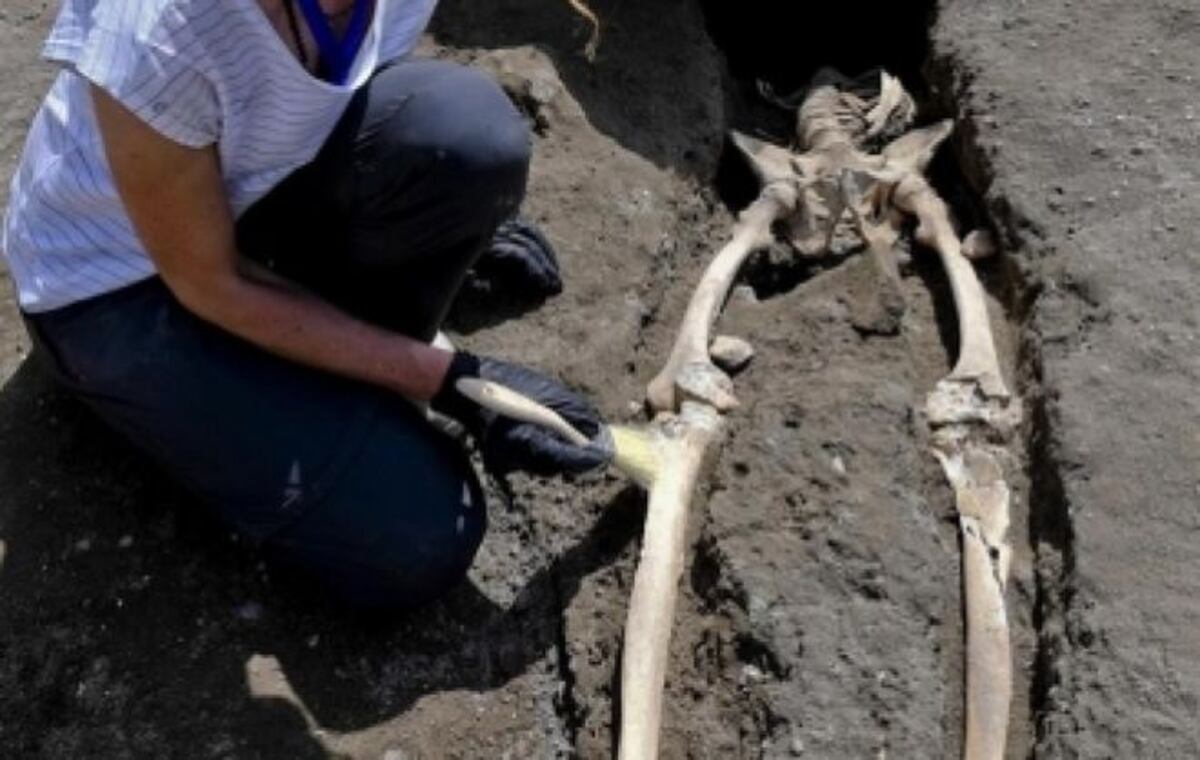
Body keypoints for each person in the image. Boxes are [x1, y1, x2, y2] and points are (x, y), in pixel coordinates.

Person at [1, 0, 613, 611]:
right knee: (416, 537)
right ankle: (159, 398)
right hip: (115, 290)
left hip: (244, 197)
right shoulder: (158, 33)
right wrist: (455, 385)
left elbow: (359, 83)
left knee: (470, 137)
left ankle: (317, 375)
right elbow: (210, 285)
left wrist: (435, 201)